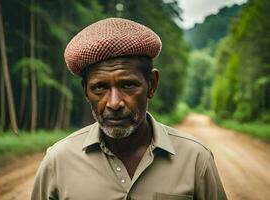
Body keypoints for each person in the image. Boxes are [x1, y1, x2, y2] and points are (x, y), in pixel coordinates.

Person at [31, 18, 227, 200]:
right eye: (99, 88)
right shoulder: (58, 161)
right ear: (85, 91)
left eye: (128, 85)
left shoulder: (195, 160)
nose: (114, 103)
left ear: (151, 84)